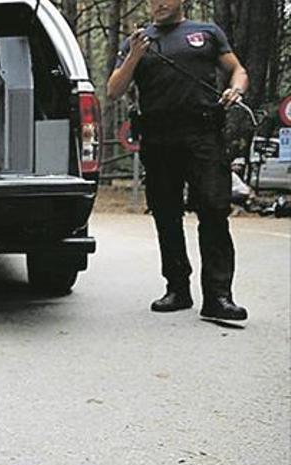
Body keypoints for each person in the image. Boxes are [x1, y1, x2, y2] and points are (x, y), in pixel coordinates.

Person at [107, 0, 249, 325]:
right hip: (158, 137)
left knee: (213, 209)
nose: (158, 3)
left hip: (203, 134)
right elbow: (114, 89)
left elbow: (237, 70)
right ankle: (177, 289)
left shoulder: (206, 32)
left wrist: (236, 89)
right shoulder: (138, 41)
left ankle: (218, 297)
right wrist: (134, 56)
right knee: (166, 213)